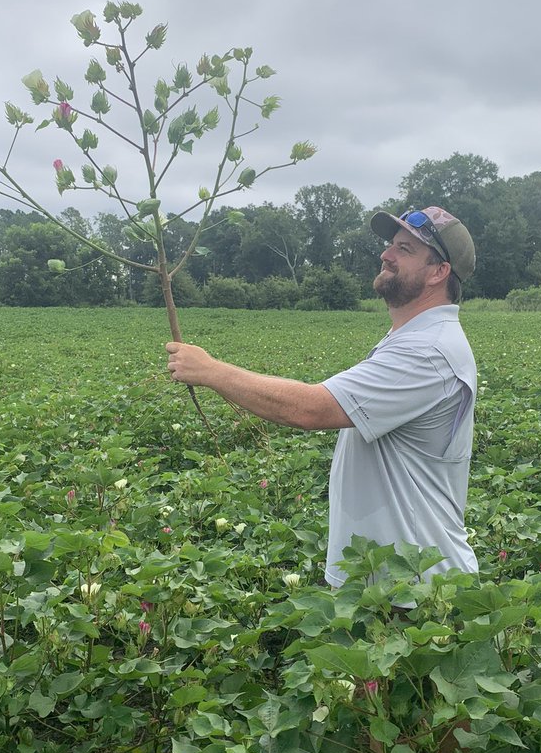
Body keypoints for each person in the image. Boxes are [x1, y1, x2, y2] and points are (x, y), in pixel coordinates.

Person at [166, 205, 478, 585]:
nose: (386, 255)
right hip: (393, 580)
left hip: (415, 591)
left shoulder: (428, 351)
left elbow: (311, 409)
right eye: (391, 245)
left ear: (439, 272)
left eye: (405, 249)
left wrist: (210, 371)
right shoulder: (415, 338)